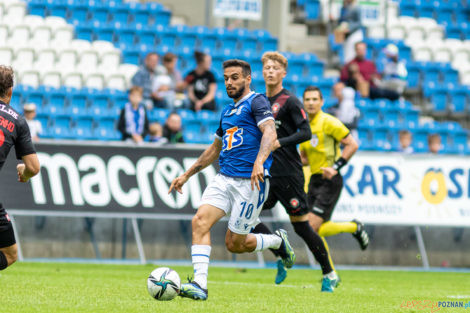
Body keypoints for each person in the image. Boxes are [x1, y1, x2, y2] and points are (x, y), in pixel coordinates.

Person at [169, 59, 295, 301]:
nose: (229, 82)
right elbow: (215, 148)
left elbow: (270, 131)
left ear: (248, 79)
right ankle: (199, 285)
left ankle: (276, 241)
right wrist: (186, 175)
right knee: (199, 222)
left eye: (235, 77)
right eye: (226, 78)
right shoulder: (227, 111)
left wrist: (259, 161)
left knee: (235, 244)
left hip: (251, 183)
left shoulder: (257, 101)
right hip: (224, 179)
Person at [250, 52, 339, 292]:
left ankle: (329, 273)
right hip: (265, 174)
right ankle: (281, 252)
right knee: (245, 216)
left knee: (301, 227)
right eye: (266, 67)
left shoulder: (290, 101)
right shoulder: (257, 101)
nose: (269, 71)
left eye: (274, 68)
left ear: (283, 73)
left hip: (288, 174)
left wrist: (281, 142)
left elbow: (306, 132)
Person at [299, 86, 369, 253]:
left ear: (321, 102)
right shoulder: (304, 127)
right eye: (307, 99)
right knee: (308, 229)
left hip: (329, 180)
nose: (311, 103)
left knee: (310, 227)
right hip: (314, 181)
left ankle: (354, 227)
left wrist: (336, 167)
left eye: (315, 99)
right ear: (303, 102)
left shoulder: (329, 122)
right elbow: (305, 158)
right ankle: (353, 228)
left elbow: (352, 144)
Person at [0, 65, 40, 271]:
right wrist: (24, 173)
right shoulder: (17, 121)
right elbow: (33, 167)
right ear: (10, 91)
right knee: (9, 254)